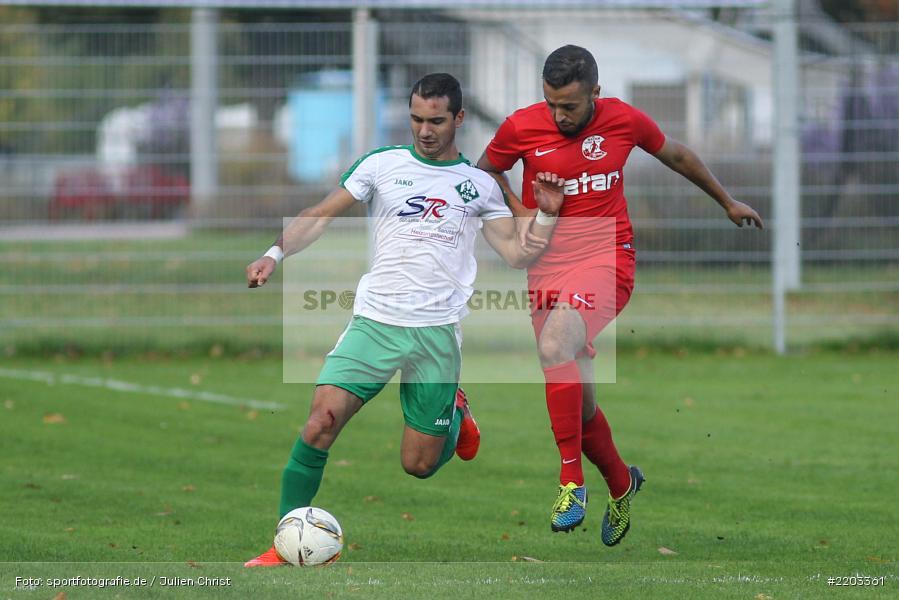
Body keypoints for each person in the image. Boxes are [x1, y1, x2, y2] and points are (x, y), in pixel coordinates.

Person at [243, 73, 564, 566]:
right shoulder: (382, 164)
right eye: (416, 118)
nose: (424, 130)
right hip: (375, 323)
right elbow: (321, 213)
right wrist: (274, 254)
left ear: (458, 118)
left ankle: (456, 416)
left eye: (436, 120)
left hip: (435, 334)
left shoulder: (479, 185)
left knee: (417, 465)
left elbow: (518, 254)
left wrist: (544, 216)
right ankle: (284, 544)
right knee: (319, 423)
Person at [477, 45, 763, 546]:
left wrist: (727, 201)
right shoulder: (521, 127)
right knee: (580, 409)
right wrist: (522, 213)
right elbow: (485, 171)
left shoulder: (623, 121)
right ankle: (621, 483)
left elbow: (676, 154)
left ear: (596, 94)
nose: (558, 115)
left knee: (553, 348)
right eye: (551, 104)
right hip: (546, 269)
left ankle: (571, 484)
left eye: (569, 105)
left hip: (607, 259)